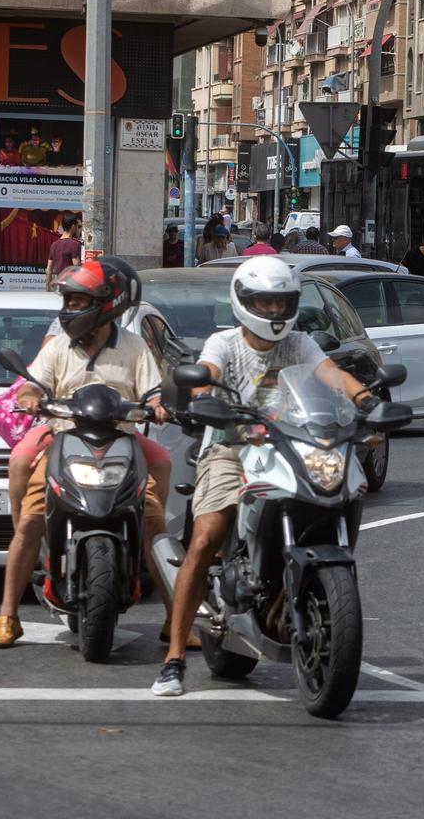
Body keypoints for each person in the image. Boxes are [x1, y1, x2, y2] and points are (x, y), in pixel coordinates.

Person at [154, 256, 377, 696]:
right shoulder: (223, 343)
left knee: (339, 492)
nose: (275, 311)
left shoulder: (300, 344)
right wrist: (208, 401)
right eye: (266, 302)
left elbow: (330, 375)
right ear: (244, 302)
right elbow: (206, 379)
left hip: (292, 446)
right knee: (206, 537)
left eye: (282, 302)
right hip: (233, 447)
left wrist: (366, 398)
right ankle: (175, 657)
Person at [0, 259, 172, 648]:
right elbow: (32, 385)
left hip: (122, 439)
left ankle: (177, 617)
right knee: (29, 521)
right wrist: (30, 397)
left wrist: (158, 404)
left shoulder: (134, 346)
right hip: (64, 437)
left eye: (78, 301)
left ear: (106, 304)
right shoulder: (57, 348)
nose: (70, 308)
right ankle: (8, 615)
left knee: (158, 507)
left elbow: (153, 390)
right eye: (68, 301)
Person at [43, 215, 83, 291]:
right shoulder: (74, 244)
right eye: (78, 226)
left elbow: (48, 270)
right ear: (73, 226)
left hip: (58, 286)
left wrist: (48, 290)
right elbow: (76, 267)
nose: (79, 229)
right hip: (70, 287)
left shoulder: (54, 244)